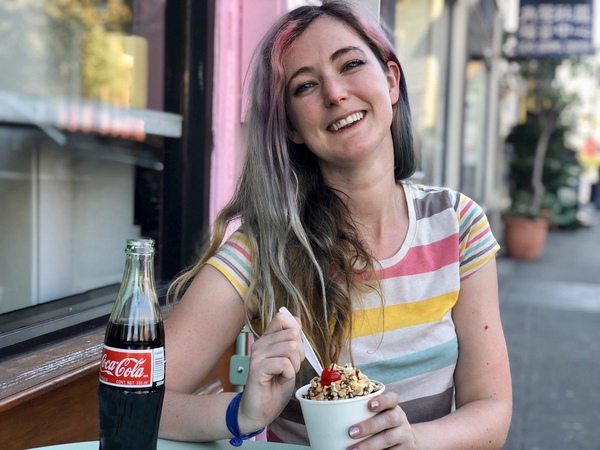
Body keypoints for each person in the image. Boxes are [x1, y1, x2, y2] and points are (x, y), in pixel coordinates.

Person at [159, 1, 512, 448]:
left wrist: (412, 442)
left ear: (391, 81)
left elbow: (492, 410)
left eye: (351, 64)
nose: (335, 93)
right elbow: (134, 397)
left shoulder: (458, 225)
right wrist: (242, 412)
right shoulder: (264, 250)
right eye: (305, 85)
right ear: (291, 128)